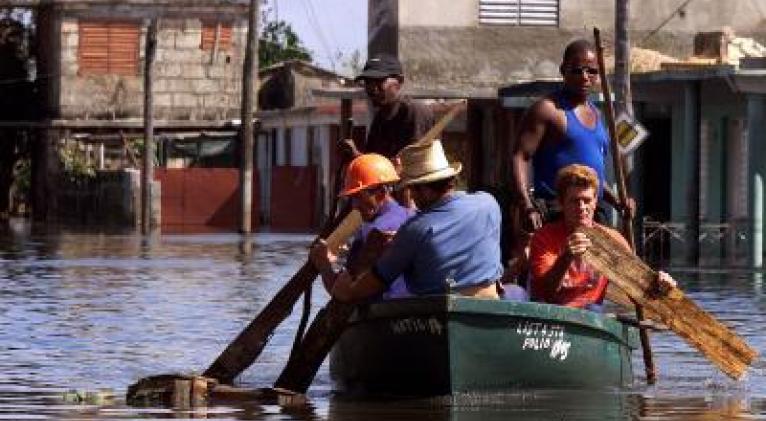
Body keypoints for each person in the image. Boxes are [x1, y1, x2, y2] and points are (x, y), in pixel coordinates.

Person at [328, 140, 506, 303]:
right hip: (488, 302)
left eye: (412, 189)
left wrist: (345, 288)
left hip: (433, 309)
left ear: (426, 190)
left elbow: (370, 284)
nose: (410, 196)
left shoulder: (414, 230)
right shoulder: (488, 203)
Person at [511, 39, 629, 231]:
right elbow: (520, 156)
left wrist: (616, 201)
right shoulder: (548, 110)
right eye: (577, 70)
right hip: (557, 213)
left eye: (592, 71)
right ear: (563, 70)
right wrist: (527, 205)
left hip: (591, 214)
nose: (585, 77)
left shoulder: (597, 115)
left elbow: (593, 175)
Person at [529, 164, 675, 310]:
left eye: (587, 200)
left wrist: (659, 285)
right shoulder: (543, 238)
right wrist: (566, 257)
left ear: (595, 203)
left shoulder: (612, 240)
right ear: (561, 204)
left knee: (593, 308)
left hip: (591, 315)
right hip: (550, 313)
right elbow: (546, 294)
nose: (582, 207)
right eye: (575, 201)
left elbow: (637, 292)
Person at [309, 153, 413, 299]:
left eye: (359, 197)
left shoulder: (377, 232)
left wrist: (324, 264)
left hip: (387, 310)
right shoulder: (411, 215)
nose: (355, 206)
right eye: (352, 199)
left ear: (382, 193)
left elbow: (344, 293)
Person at [343, 54, 434, 160]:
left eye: (380, 81)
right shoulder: (380, 118)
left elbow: (411, 165)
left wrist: (357, 156)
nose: (373, 89)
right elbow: (374, 163)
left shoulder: (415, 111)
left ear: (400, 81)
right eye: (368, 82)